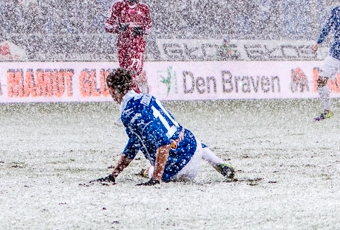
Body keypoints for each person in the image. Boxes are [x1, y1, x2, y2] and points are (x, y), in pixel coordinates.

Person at [91, 68, 235, 186]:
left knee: (152, 169)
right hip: (194, 148)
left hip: (177, 170)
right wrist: (113, 175)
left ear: (112, 90)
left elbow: (163, 143)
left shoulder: (130, 113)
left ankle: (148, 171)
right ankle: (217, 162)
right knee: (186, 137)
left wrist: (156, 179)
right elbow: (135, 142)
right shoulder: (148, 97)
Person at [104, 0, 152, 92]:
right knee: (125, 75)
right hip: (123, 46)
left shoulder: (144, 8)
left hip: (137, 46)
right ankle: (137, 94)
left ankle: (139, 95)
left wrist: (141, 30)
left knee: (132, 73)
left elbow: (149, 27)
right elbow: (107, 25)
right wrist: (118, 28)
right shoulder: (118, 6)